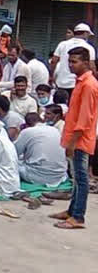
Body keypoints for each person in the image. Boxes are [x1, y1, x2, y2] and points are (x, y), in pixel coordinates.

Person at [51, 47, 98, 229]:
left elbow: (84, 119)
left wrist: (72, 143)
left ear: (85, 63)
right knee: (76, 177)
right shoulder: (80, 82)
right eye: (69, 61)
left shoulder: (88, 85)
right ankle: (71, 211)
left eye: (74, 62)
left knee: (81, 178)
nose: (70, 65)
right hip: (75, 138)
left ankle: (78, 217)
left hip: (80, 140)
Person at [15, 113, 68, 187]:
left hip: (38, 176)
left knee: (13, 164)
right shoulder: (55, 130)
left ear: (27, 125)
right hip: (60, 175)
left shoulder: (27, 132)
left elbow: (15, 153)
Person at [51, 23, 96, 95]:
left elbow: (53, 61)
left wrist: (52, 75)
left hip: (61, 82)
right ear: (85, 33)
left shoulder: (62, 44)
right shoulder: (89, 48)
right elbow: (92, 66)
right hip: (77, 83)